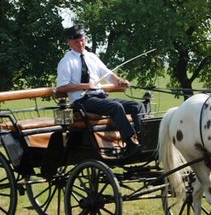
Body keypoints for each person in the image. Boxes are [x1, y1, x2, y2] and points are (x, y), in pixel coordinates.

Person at [56, 24, 145, 158]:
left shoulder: (92, 57)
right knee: (115, 107)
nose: (80, 44)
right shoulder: (66, 61)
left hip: (99, 98)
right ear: (69, 42)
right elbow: (61, 88)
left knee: (137, 106)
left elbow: (108, 75)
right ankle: (130, 144)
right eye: (76, 41)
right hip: (82, 101)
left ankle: (142, 139)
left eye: (82, 40)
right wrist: (85, 85)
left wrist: (120, 81)